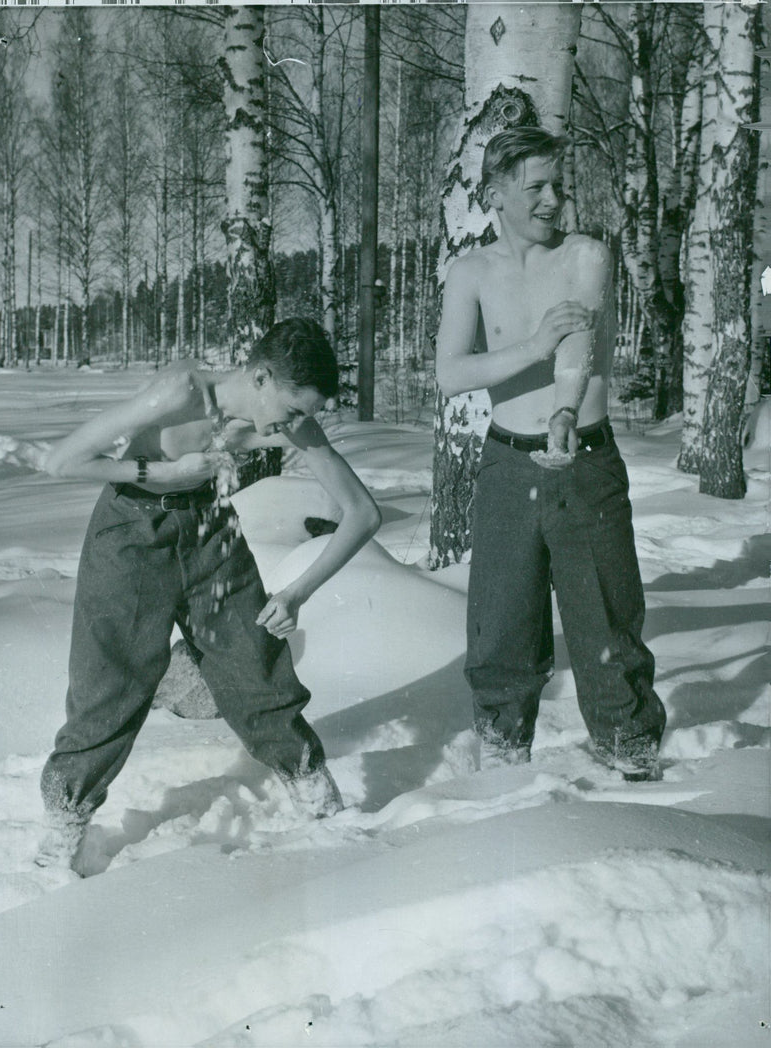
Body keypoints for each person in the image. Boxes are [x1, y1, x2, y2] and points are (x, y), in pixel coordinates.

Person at [37, 318, 381, 869]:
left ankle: (314, 795)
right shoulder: (181, 390)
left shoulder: (288, 423)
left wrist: (298, 592)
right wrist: (164, 470)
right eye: (294, 410)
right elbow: (61, 460)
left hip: (211, 532)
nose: (296, 425)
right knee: (108, 684)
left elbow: (363, 513)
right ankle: (64, 825)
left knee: (257, 665)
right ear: (262, 377)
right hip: (130, 530)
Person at [435, 127, 666, 781]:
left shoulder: (586, 255)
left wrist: (565, 408)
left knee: (607, 630)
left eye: (558, 186)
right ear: (494, 193)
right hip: (507, 466)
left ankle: (634, 761)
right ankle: (504, 770)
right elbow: (450, 373)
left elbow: (578, 349)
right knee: (502, 630)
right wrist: (530, 347)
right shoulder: (471, 271)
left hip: (584, 461)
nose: (552, 200)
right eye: (535, 186)